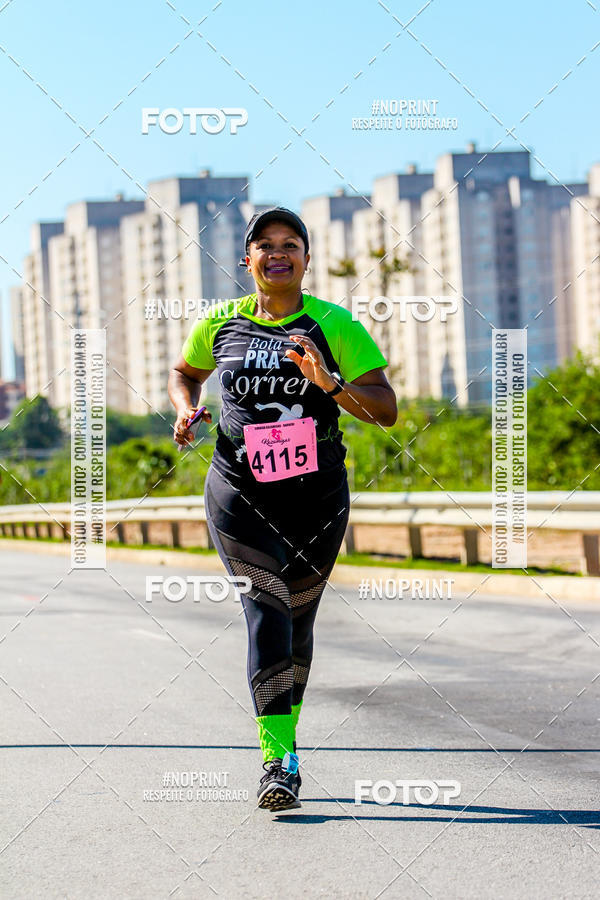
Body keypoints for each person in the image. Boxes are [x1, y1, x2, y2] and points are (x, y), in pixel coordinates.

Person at [168, 207, 397, 811]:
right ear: (247, 260)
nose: (277, 253)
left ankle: (283, 741)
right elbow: (185, 373)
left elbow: (384, 408)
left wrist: (328, 383)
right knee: (265, 610)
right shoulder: (220, 324)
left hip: (316, 500)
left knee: (297, 623)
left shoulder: (335, 324)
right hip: (239, 495)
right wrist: (187, 408)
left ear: (306, 258)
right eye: (264, 245)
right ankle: (279, 759)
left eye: (289, 244)